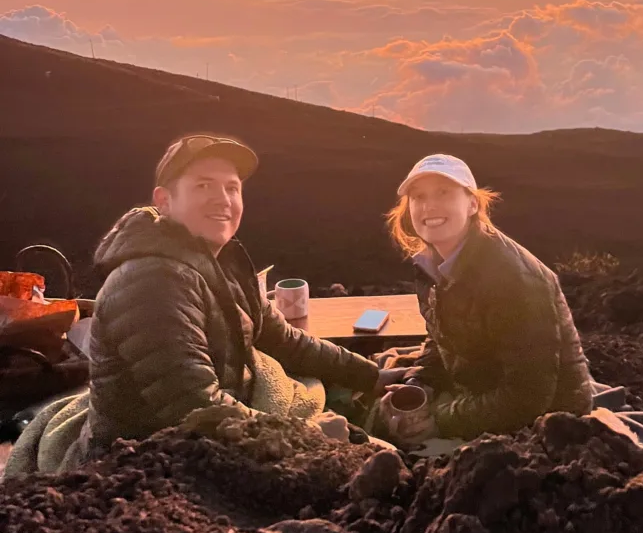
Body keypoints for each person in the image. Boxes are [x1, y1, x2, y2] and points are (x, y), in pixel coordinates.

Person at [84, 133, 406, 454]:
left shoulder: (218, 264)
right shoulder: (152, 281)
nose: (222, 199)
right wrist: (308, 435)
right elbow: (196, 410)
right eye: (203, 185)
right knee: (378, 459)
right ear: (164, 201)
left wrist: (372, 376)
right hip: (153, 457)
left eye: (232, 188)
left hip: (216, 430)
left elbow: (284, 340)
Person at [379, 153, 593, 446]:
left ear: (472, 204)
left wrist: (440, 421)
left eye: (444, 192)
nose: (429, 205)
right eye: (418, 196)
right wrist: (421, 384)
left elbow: (527, 395)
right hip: (479, 393)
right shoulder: (434, 263)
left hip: (546, 423)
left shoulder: (513, 279)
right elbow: (441, 336)